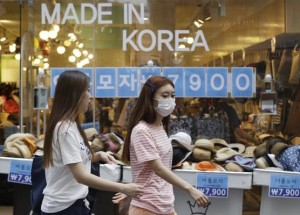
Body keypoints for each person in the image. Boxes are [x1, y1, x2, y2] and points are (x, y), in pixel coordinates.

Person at [42, 70, 142, 215]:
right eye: (87, 91)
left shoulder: (72, 125)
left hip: (75, 204)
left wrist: (98, 155)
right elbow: (81, 176)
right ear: (75, 95)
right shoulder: (64, 129)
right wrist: (123, 188)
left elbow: (74, 160)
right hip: (63, 208)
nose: (90, 96)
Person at [118, 76, 209, 215]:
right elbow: (158, 168)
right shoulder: (142, 130)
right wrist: (190, 188)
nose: (170, 100)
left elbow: (146, 169)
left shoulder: (160, 127)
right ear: (150, 98)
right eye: (164, 95)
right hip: (147, 205)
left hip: (164, 203)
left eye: (173, 95)